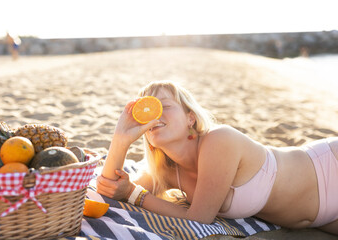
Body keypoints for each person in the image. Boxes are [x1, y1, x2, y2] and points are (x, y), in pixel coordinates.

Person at [97, 80, 338, 235]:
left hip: (329, 167)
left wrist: (133, 193)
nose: (154, 114)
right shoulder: (166, 171)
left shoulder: (218, 140)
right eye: (147, 109)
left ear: (190, 118)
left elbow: (199, 218)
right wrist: (121, 137)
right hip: (321, 221)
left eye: (164, 105)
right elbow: (109, 187)